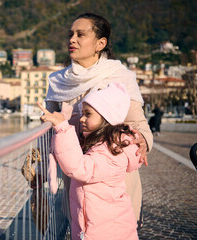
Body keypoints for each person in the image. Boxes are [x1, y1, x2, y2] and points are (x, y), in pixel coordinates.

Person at [44, 12, 153, 227]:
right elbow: (48, 129)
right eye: (71, 34)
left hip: (114, 183)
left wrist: (142, 141)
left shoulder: (121, 76)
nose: (72, 40)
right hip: (77, 181)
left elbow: (139, 125)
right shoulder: (57, 81)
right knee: (82, 229)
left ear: (100, 43)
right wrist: (40, 168)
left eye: (80, 34)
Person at [39, 83, 142, 240]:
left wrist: (62, 128)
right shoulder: (104, 144)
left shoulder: (111, 150)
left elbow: (80, 168)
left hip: (106, 231)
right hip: (98, 226)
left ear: (107, 116)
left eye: (88, 114)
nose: (81, 119)